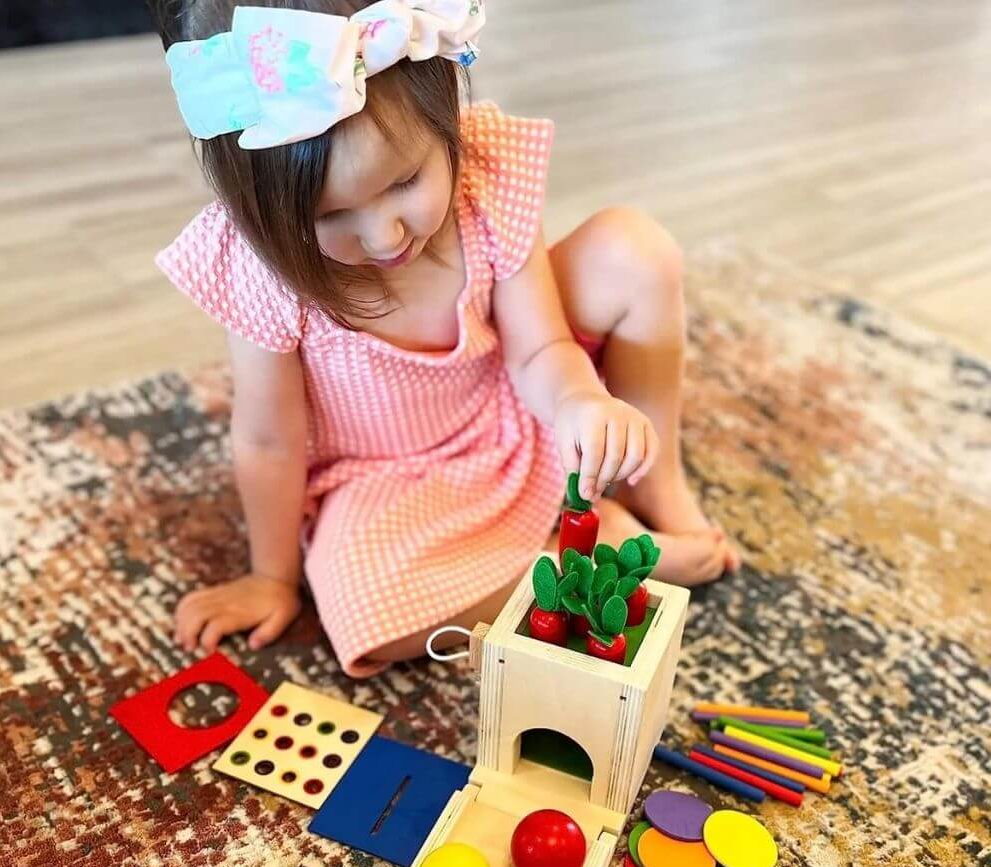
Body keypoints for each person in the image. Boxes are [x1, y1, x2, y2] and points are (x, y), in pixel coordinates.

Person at [156, 0, 739, 677]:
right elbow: (268, 441)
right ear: (264, 217)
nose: (385, 236)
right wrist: (271, 577)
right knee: (367, 612)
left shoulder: (483, 184)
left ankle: (651, 485)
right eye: (332, 214)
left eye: (405, 182)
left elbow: (540, 350)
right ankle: (580, 560)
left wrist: (580, 401)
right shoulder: (266, 270)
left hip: (512, 416)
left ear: (447, 123)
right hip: (380, 482)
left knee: (636, 249)